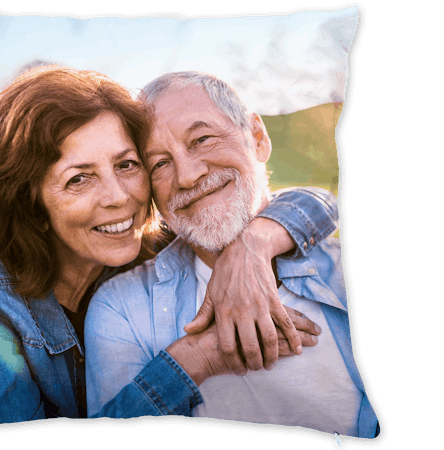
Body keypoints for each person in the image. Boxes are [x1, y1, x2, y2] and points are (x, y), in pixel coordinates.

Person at [0, 67, 337, 426]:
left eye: (127, 165)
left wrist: (253, 244)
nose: (119, 197)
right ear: (30, 202)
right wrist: (197, 357)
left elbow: (313, 202)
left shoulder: (151, 248)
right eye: (79, 179)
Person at [85, 71, 379, 438]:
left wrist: (251, 247)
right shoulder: (122, 308)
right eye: (159, 163)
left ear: (257, 138)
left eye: (202, 139)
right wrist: (197, 359)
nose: (188, 176)